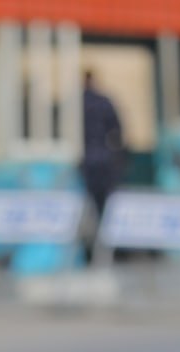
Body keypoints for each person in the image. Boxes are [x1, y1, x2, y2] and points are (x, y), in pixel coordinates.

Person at [80, 69, 125, 258]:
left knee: (88, 208)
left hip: (86, 162)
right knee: (104, 208)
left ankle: (93, 250)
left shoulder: (75, 103)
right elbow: (117, 131)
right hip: (103, 161)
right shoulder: (103, 102)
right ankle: (107, 249)